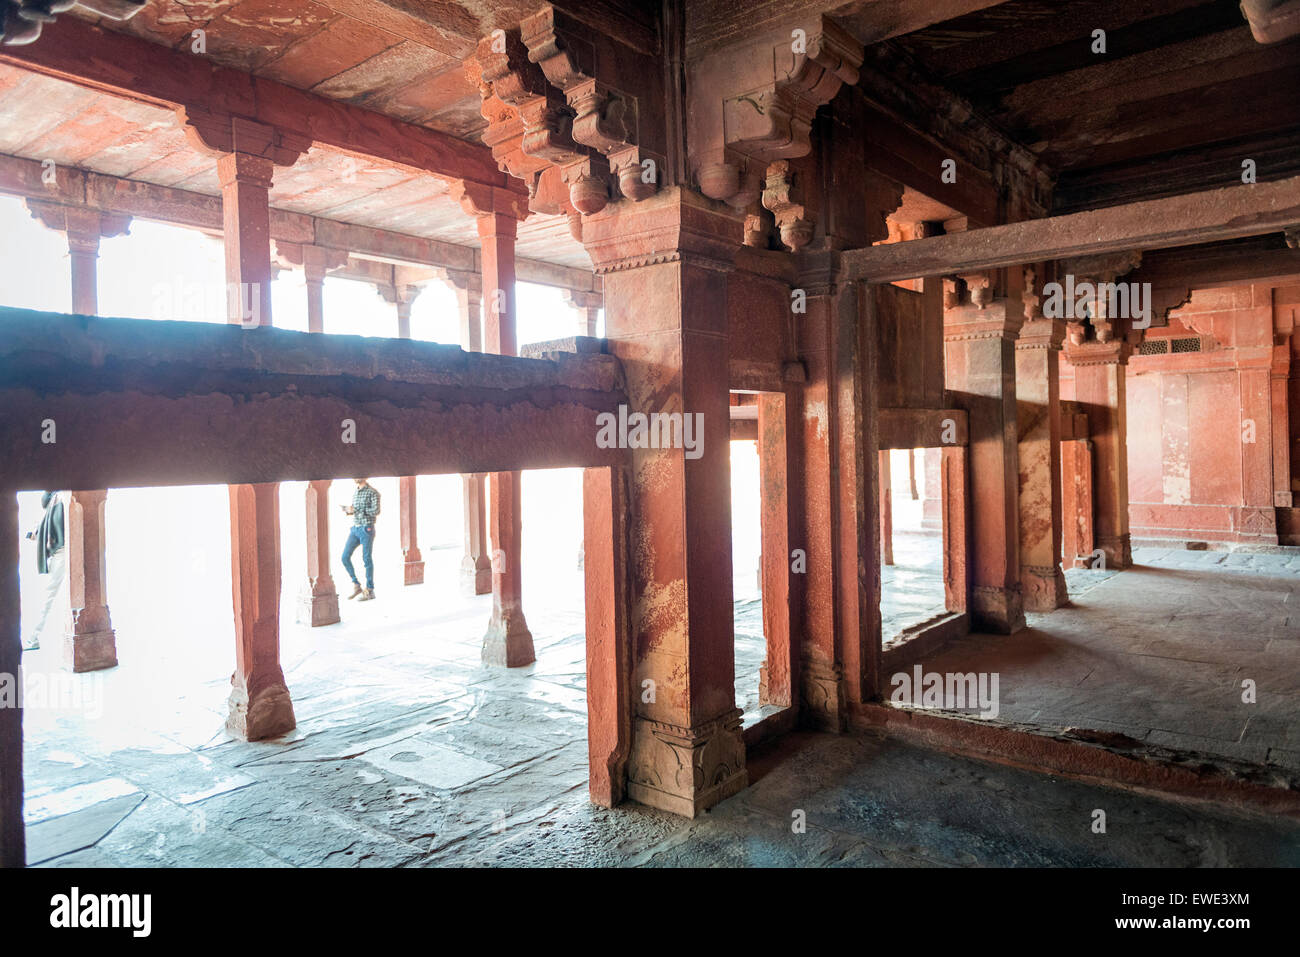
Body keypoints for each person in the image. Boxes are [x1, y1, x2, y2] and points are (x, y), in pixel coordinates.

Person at [23, 490, 66, 652]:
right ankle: (32, 638)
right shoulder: (58, 499)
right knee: (48, 595)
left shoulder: (57, 499)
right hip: (62, 552)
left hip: (62, 552)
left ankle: (32, 638)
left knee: (47, 595)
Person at [340, 477, 380, 601]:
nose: (355, 478)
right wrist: (348, 510)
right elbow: (356, 511)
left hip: (366, 529)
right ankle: (356, 585)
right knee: (344, 557)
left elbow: (376, 511)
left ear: (364, 477)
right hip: (355, 529)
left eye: (357, 476)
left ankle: (370, 590)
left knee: (366, 559)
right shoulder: (356, 491)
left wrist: (357, 510)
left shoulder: (373, 492)